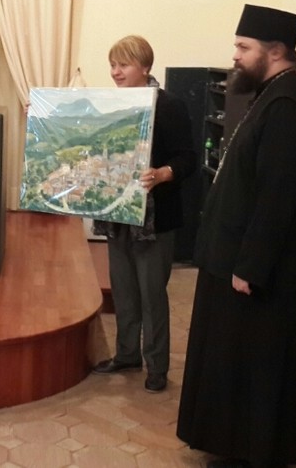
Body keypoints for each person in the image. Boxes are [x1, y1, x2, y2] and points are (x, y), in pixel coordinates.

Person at [176, 5, 296, 468]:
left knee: (255, 365)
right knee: (232, 358)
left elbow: (278, 196)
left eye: (244, 47)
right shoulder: (272, 94)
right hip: (236, 259)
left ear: (276, 50)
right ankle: (232, 444)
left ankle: (253, 452)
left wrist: (250, 267)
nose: (235, 55)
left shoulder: (289, 105)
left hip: (260, 274)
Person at [90, 35, 196, 394]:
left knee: (152, 295)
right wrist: (44, 116)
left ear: (145, 67)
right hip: (118, 214)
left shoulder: (169, 105)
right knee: (123, 291)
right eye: (112, 64)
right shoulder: (111, 104)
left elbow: (187, 158)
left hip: (155, 218)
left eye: (123, 65)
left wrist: (164, 173)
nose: (115, 72)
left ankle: (157, 365)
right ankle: (126, 355)